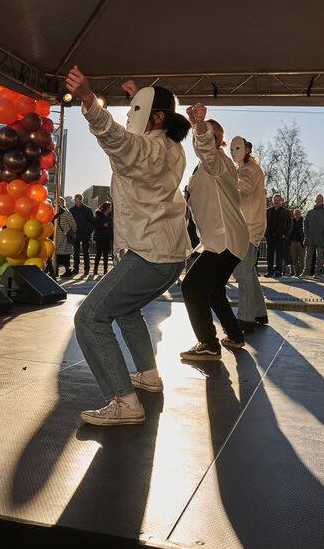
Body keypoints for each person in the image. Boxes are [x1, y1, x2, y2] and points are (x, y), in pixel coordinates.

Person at [65, 67, 191, 426]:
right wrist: (141, 100)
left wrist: (90, 101)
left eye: (137, 111)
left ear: (159, 118)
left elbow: (120, 142)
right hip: (166, 254)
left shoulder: (150, 150)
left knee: (89, 318)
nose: (131, 116)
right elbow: (138, 136)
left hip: (149, 254)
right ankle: (147, 375)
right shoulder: (170, 146)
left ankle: (123, 401)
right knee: (126, 309)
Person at [179, 109, 249, 359]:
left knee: (191, 287)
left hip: (224, 240)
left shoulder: (216, 161)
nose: (202, 136)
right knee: (215, 290)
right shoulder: (207, 166)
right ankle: (235, 336)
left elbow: (206, 148)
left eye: (209, 134)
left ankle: (208, 343)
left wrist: (199, 123)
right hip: (220, 240)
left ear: (218, 139)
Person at [229, 137, 269, 330]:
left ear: (247, 149)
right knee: (249, 272)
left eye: (237, 148)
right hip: (249, 224)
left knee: (243, 273)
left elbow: (243, 187)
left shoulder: (248, 169)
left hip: (248, 226)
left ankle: (246, 318)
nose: (233, 151)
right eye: (231, 148)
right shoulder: (245, 169)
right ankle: (260, 313)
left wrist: (225, 179)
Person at [301, 195, 324, 278]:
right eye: (318, 199)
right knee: (308, 256)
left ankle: (318, 273)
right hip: (309, 238)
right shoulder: (310, 212)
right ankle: (306, 272)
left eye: (321, 199)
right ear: (315, 201)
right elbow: (305, 224)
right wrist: (306, 233)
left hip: (320, 238)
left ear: (323, 201)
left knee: (320, 257)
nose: (319, 200)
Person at [263, 194, 292, 277]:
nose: (277, 202)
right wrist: (266, 234)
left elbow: (290, 225)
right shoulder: (267, 211)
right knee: (269, 254)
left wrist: (285, 235)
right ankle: (270, 271)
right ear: (273, 201)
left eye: (278, 200)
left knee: (280, 254)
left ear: (281, 201)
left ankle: (278, 271)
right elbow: (264, 223)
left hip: (281, 237)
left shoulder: (286, 212)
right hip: (270, 236)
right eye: (275, 200)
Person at [69, 194, 95, 277]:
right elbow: (69, 222)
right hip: (76, 234)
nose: (78, 203)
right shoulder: (71, 210)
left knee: (85, 252)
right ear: (74, 200)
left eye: (79, 201)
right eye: (76, 201)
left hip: (85, 234)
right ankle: (76, 268)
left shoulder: (87, 210)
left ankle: (86, 269)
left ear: (82, 200)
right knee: (75, 252)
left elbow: (92, 222)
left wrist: (89, 232)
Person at [52, 197, 76, 279]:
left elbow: (73, 224)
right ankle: (59, 270)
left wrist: (72, 231)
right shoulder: (61, 212)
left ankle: (60, 271)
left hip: (63, 236)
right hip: (59, 236)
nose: (59, 204)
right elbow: (73, 224)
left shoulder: (65, 212)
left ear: (63, 203)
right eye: (57, 203)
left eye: (60, 202)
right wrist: (73, 230)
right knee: (59, 255)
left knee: (60, 255)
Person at [92, 202, 113, 276]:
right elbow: (95, 225)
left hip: (107, 238)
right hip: (100, 238)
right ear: (106, 208)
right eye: (109, 208)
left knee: (106, 255)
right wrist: (102, 225)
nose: (110, 209)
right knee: (98, 254)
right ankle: (95, 269)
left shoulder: (110, 216)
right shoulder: (99, 216)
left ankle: (105, 270)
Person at [288, 208, 304, 278]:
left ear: (300, 214)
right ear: (294, 214)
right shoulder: (291, 221)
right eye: (296, 213)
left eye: (298, 213)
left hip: (300, 242)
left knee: (302, 258)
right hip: (292, 242)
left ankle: (302, 272)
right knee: (294, 258)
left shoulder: (303, 221)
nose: (297, 214)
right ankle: (296, 272)